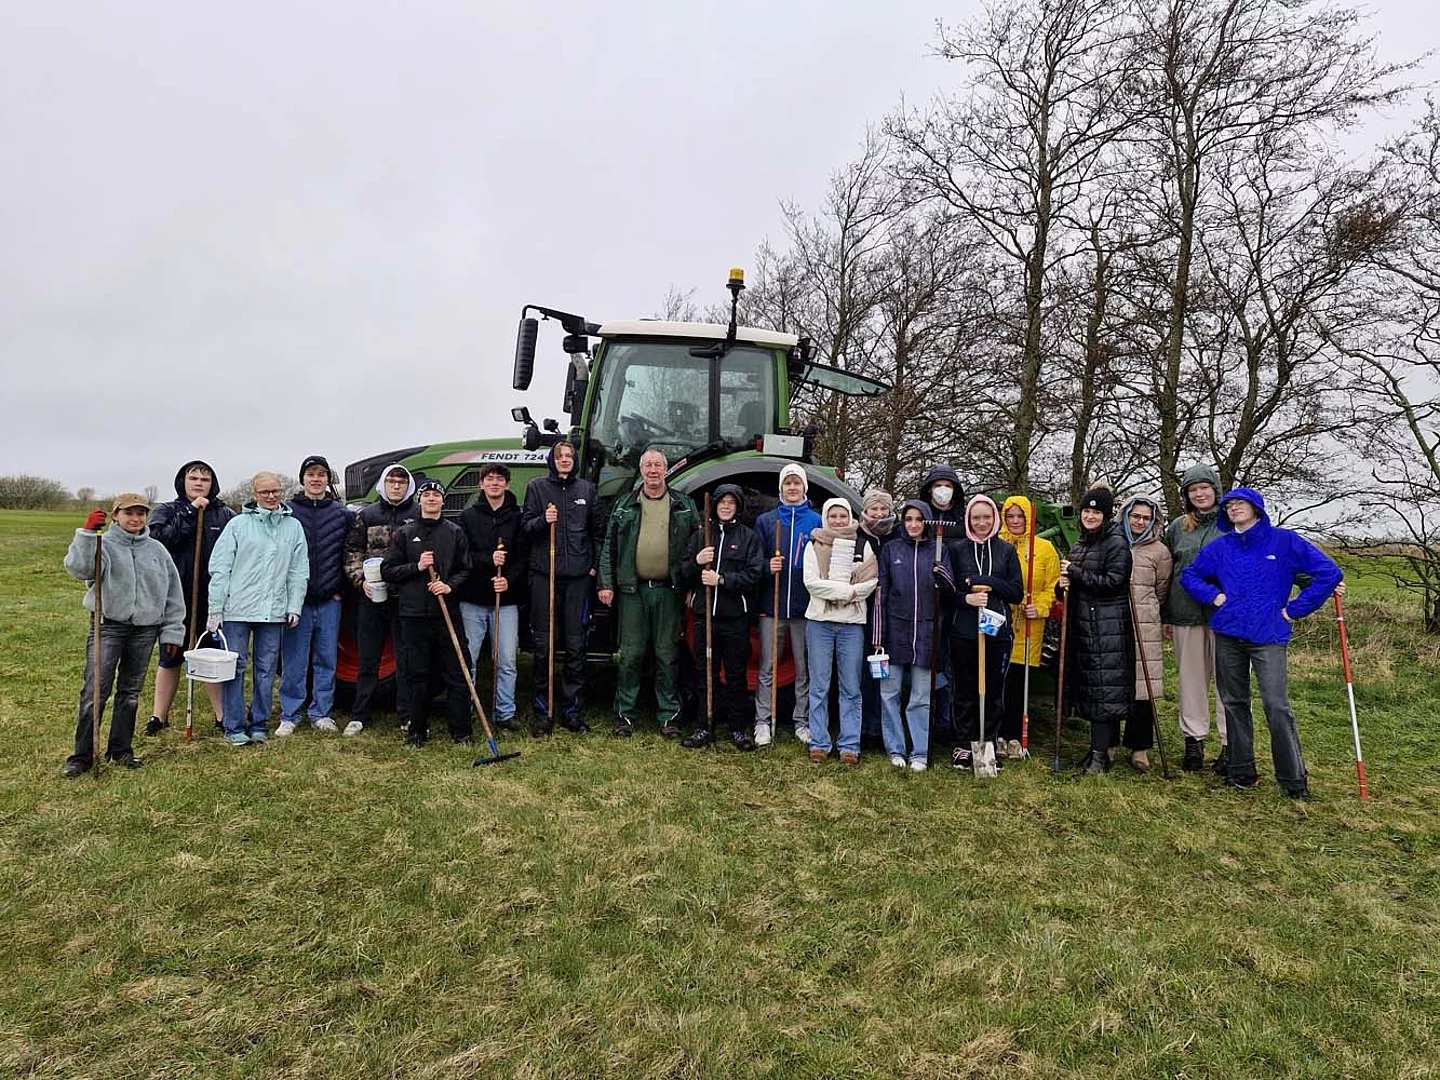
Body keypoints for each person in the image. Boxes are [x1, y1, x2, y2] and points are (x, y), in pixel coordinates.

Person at [1180, 487, 1341, 800]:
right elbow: (1190, 575)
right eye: (1229, 505)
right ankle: (1241, 772)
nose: (1234, 508)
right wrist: (1213, 596)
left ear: (1256, 508)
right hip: (1228, 634)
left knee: (1276, 706)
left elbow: (1328, 573)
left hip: (1269, 636)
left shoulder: (1283, 541)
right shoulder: (1220, 547)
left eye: (1240, 503)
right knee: (1234, 703)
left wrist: (1295, 609)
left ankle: (1294, 781)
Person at [62, 495, 185, 775]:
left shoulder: (157, 550)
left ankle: (120, 750)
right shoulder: (103, 544)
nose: (135, 518)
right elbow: (79, 569)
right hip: (108, 626)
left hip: (145, 629)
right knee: (95, 690)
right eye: (128, 513)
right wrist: (87, 535)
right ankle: (82, 756)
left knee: (130, 692)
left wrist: (172, 632)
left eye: (141, 513)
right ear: (115, 516)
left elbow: (172, 594)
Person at [597, 447, 700, 737]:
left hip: (668, 591)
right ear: (641, 470)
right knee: (631, 655)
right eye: (648, 465)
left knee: (667, 654)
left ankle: (669, 716)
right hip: (633, 591)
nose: (653, 470)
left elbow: (696, 547)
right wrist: (606, 584)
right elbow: (609, 546)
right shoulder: (624, 504)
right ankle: (625, 716)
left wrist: (691, 586)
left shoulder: (683, 505)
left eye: (658, 465)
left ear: (666, 469)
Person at [206, 473, 309, 746]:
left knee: (266, 669)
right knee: (236, 667)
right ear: (254, 494)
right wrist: (216, 608)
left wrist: (294, 606)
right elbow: (220, 567)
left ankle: (259, 722)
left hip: (273, 610)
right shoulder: (238, 525)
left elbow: (299, 571)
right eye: (265, 492)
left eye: (276, 491)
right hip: (237, 609)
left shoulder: (293, 527)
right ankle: (233, 725)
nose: (271, 496)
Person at [144, 460, 236, 736]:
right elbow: (158, 540)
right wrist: (189, 512)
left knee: (211, 655)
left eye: (204, 480)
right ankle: (158, 716)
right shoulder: (168, 511)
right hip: (176, 597)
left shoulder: (225, 515)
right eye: (193, 478)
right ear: (183, 482)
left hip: (212, 598)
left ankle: (222, 716)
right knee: (170, 655)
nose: (199, 483)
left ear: (212, 484)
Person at [381, 479, 474, 746]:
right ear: (419, 500)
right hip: (414, 614)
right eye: (427, 495)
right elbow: (388, 571)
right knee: (416, 673)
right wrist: (417, 567)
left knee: (457, 671)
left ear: (443, 500)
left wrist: (448, 586)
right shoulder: (405, 533)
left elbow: (466, 569)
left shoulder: (455, 532)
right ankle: (417, 730)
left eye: (436, 495)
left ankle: (461, 731)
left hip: (447, 614)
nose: (431, 499)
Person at [521, 440, 604, 735]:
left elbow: (598, 532)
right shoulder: (537, 488)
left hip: (578, 579)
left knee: (576, 646)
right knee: (544, 646)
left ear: (575, 460)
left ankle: (572, 711)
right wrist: (543, 521)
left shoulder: (587, 490)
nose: (565, 460)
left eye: (569, 456)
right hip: (545, 576)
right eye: (560, 456)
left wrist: (593, 567)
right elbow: (525, 527)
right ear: (552, 460)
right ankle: (543, 712)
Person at [678, 483, 765, 749]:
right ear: (714, 506)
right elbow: (681, 574)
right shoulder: (700, 536)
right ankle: (704, 727)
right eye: (722, 502)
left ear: (738, 507)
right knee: (706, 674)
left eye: (731, 502)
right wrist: (697, 561)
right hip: (705, 618)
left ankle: (738, 729)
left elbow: (754, 575)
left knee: (736, 675)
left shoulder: (748, 538)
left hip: (735, 618)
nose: (726, 507)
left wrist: (723, 580)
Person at [1056, 486, 1133, 774]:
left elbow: (1114, 582)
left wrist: (1075, 573)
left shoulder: (1116, 543)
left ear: (1106, 515)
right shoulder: (1080, 544)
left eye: (1096, 512)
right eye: (1086, 511)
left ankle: (1100, 756)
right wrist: (1061, 585)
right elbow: (1073, 585)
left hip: (1107, 626)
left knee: (1104, 690)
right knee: (1093, 688)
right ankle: (1095, 751)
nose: (1089, 516)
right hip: (1084, 625)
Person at [877, 500, 956, 771]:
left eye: (919, 519)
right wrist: (878, 636)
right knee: (889, 693)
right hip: (894, 632)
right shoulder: (891, 550)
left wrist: (942, 575)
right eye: (908, 519)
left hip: (926, 633)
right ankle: (895, 748)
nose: (913, 524)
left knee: (921, 696)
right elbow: (882, 593)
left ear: (927, 522)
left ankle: (919, 752)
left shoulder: (939, 550)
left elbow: (950, 591)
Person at [278, 455, 352, 736]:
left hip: (330, 598)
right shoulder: (288, 512)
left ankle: (321, 712)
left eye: (321, 474)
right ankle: (290, 714)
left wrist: (341, 590)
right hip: (298, 600)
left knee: (326, 659)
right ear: (303, 479)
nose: (316, 479)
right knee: (294, 660)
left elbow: (349, 552)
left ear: (328, 480)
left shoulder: (341, 514)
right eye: (311, 474)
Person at [342, 463, 418, 737]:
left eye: (401, 482)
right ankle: (359, 714)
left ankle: (407, 715)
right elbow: (352, 552)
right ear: (383, 485)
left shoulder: (417, 514)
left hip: (405, 599)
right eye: (391, 481)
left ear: (408, 486)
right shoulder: (366, 515)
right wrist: (360, 582)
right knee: (368, 657)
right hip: (372, 598)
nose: (396, 486)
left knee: (405, 658)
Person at [949, 495, 1024, 771]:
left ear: (995, 519)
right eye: (976, 518)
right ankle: (963, 744)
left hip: (997, 632)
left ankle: (988, 743)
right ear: (968, 520)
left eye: (987, 517)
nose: (982, 523)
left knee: (993, 690)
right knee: (965, 689)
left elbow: (1016, 592)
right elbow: (948, 590)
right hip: (964, 631)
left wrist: (988, 583)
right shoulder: (957, 550)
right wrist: (966, 598)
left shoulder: (1006, 551)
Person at [1163, 464, 1229, 772]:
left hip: (1225, 614)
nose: (1200, 494)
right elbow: (1167, 573)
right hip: (1185, 612)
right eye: (1193, 489)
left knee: (1228, 680)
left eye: (1204, 487)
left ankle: (1230, 744)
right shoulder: (1178, 528)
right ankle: (1194, 741)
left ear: (1215, 490)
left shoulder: (1231, 523)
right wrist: (1165, 614)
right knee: (1191, 681)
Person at [803, 498, 879, 764]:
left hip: (851, 625)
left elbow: (870, 582)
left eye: (842, 516)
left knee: (851, 687)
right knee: (819, 685)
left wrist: (844, 590)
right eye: (833, 516)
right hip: (820, 622)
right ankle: (819, 742)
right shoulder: (814, 545)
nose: (838, 521)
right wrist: (848, 591)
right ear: (825, 517)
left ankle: (850, 745)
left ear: (849, 518)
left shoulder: (862, 545)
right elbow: (812, 583)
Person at [753, 463, 822, 747]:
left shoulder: (817, 521)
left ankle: (802, 721)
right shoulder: (767, 521)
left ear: (804, 487)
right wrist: (766, 566)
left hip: (805, 607)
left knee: (804, 668)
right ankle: (762, 721)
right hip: (772, 605)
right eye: (788, 483)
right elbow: (754, 560)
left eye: (797, 483)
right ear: (781, 488)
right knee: (768, 665)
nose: (792, 488)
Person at [456, 463, 526, 732]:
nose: (494, 483)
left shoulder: (517, 518)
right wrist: (488, 560)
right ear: (481, 484)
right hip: (473, 599)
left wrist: (508, 580)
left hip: (505, 602)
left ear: (507, 484)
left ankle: (505, 712)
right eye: (489, 479)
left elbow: (523, 558)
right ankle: (466, 708)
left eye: (499, 479)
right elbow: (463, 555)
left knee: (506, 660)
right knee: (469, 658)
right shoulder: (467, 517)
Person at [997, 495, 1061, 759]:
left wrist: (1041, 606)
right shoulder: (996, 544)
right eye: (1010, 516)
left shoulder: (1043, 548)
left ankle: (1015, 735)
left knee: (1019, 682)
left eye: (1020, 516)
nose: (1015, 521)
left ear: (1029, 518)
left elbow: (1053, 586)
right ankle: (997, 735)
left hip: (1029, 625)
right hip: (1001, 622)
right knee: (998, 680)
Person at [1120, 495, 1172, 772]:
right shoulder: (1113, 542)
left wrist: (1150, 609)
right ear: (1125, 515)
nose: (1140, 521)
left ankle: (1139, 747)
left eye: (1146, 517)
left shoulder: (1159, 551)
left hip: (1144, 623)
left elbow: (1162, 588)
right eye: (1135, 516)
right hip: (1113, 620)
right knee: (1113, 681)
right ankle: (1107, 742)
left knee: (1143, 685)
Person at [917, 463, 967, 750]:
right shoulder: (920, 517)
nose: (942, 491)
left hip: (955, 601)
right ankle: (925, 718)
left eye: (948, 486)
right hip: (924, 601)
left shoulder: (963, 520)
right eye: (938, 485)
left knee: (950, 663)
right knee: (928, 661)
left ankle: (946, 721)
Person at [857, 489, 896, 747]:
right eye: (874, 509)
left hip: (892, 613)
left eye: (884, 509)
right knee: (864, 672)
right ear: (866, 511)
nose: (879, 514)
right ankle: (864, 727)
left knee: (887, 674)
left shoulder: (899, 536)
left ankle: (883, 728)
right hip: (864, 612)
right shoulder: (858, 537)